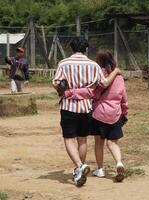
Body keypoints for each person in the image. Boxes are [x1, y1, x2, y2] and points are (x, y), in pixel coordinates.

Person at [52, 37, 121, 187]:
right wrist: (115, 72)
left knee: (69, 139)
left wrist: (66, 89)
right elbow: (103, 83)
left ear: (71, 48)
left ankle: (80, 166)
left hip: (69, 106)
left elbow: (56, 83)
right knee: (82, 140)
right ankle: (79, 169)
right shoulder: (93, 65)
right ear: (86, 49)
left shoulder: (63, 63)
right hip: (86, 107)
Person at [64, 49, 128, 182]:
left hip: (99, 113)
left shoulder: (99, 74)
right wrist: (124, 112)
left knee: (99, 143)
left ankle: (100, 169)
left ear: (99, 61)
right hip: (115, 113)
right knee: (112, 143)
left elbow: (95, 94)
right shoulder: (120, 77)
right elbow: (124, 98)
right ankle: (119, 163)